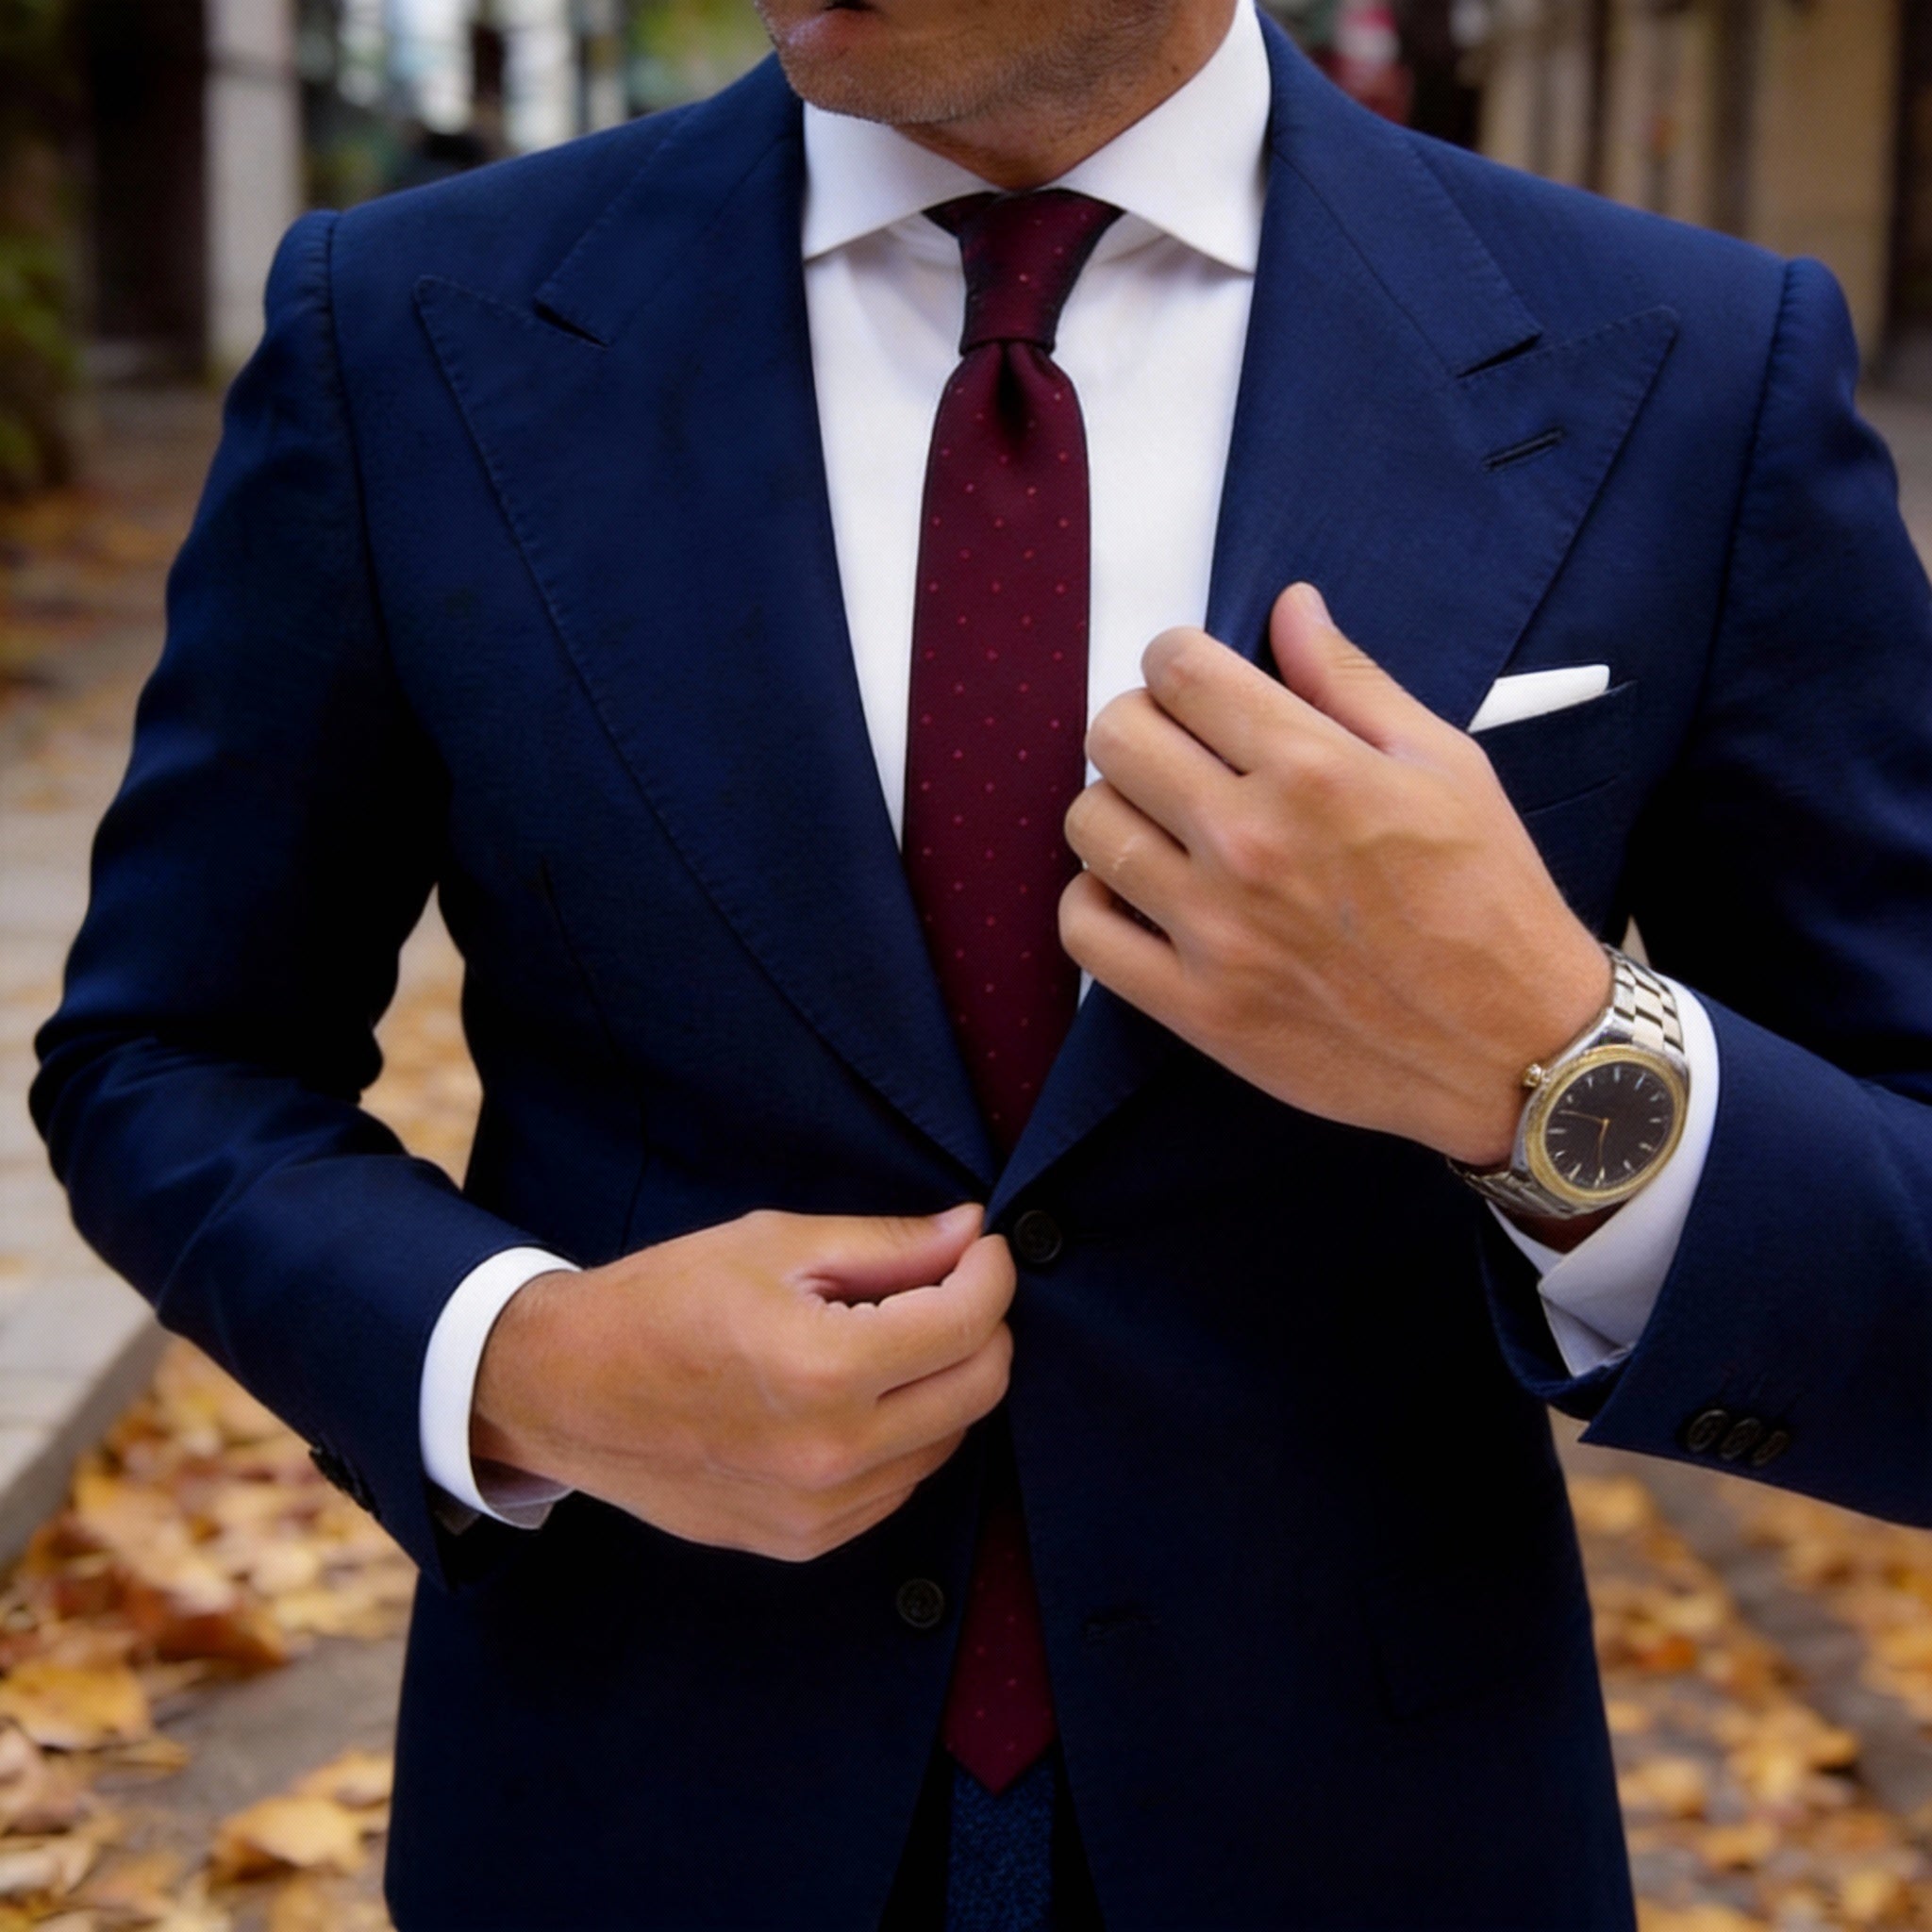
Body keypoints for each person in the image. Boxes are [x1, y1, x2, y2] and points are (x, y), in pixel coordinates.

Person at [32, 0, 1932, 1924]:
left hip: (1366, 1826)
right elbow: (170, 1056)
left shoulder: (1689, 364)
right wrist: (527, 1362)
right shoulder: (410, 322)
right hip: (637, 1805)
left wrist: (1546, 1062)